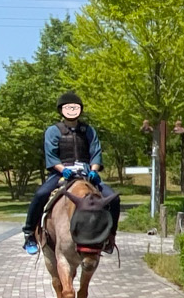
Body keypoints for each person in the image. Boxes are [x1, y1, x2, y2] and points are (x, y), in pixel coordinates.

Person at [23, 91, 120, 254]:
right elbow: (51, 155)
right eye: (68, 108)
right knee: (41, 194)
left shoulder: (89, 130)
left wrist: (94, 170)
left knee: (114, 199)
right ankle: (29, 233)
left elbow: (96, 152)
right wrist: (63, 169)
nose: (72, 110)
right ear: (61, 110)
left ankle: (110, 237)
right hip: (62, 172)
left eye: (75, 107)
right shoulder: (53, 131)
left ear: (80, 109)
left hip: (86, 172)